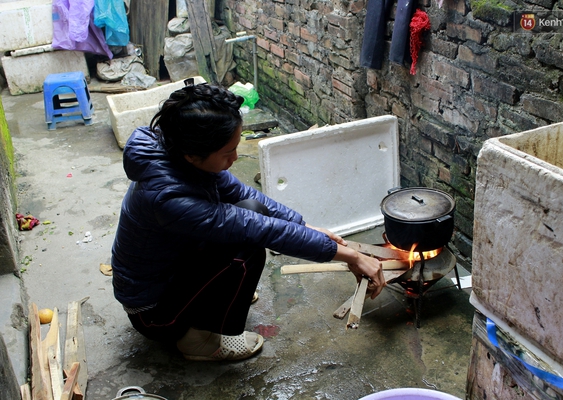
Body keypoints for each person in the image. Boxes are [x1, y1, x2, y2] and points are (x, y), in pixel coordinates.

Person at [111, 80, 386, 362]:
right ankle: (198, 341)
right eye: (227, 153)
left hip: (171, 275)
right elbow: (259, 230)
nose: (236, 157)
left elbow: (245, 197)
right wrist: (352, 256)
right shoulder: (167, 198)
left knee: (253, 207)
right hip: (155, 313)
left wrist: (307, 228)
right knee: (247, 249)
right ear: (193, 155)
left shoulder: (178, 151)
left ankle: (211, 301)